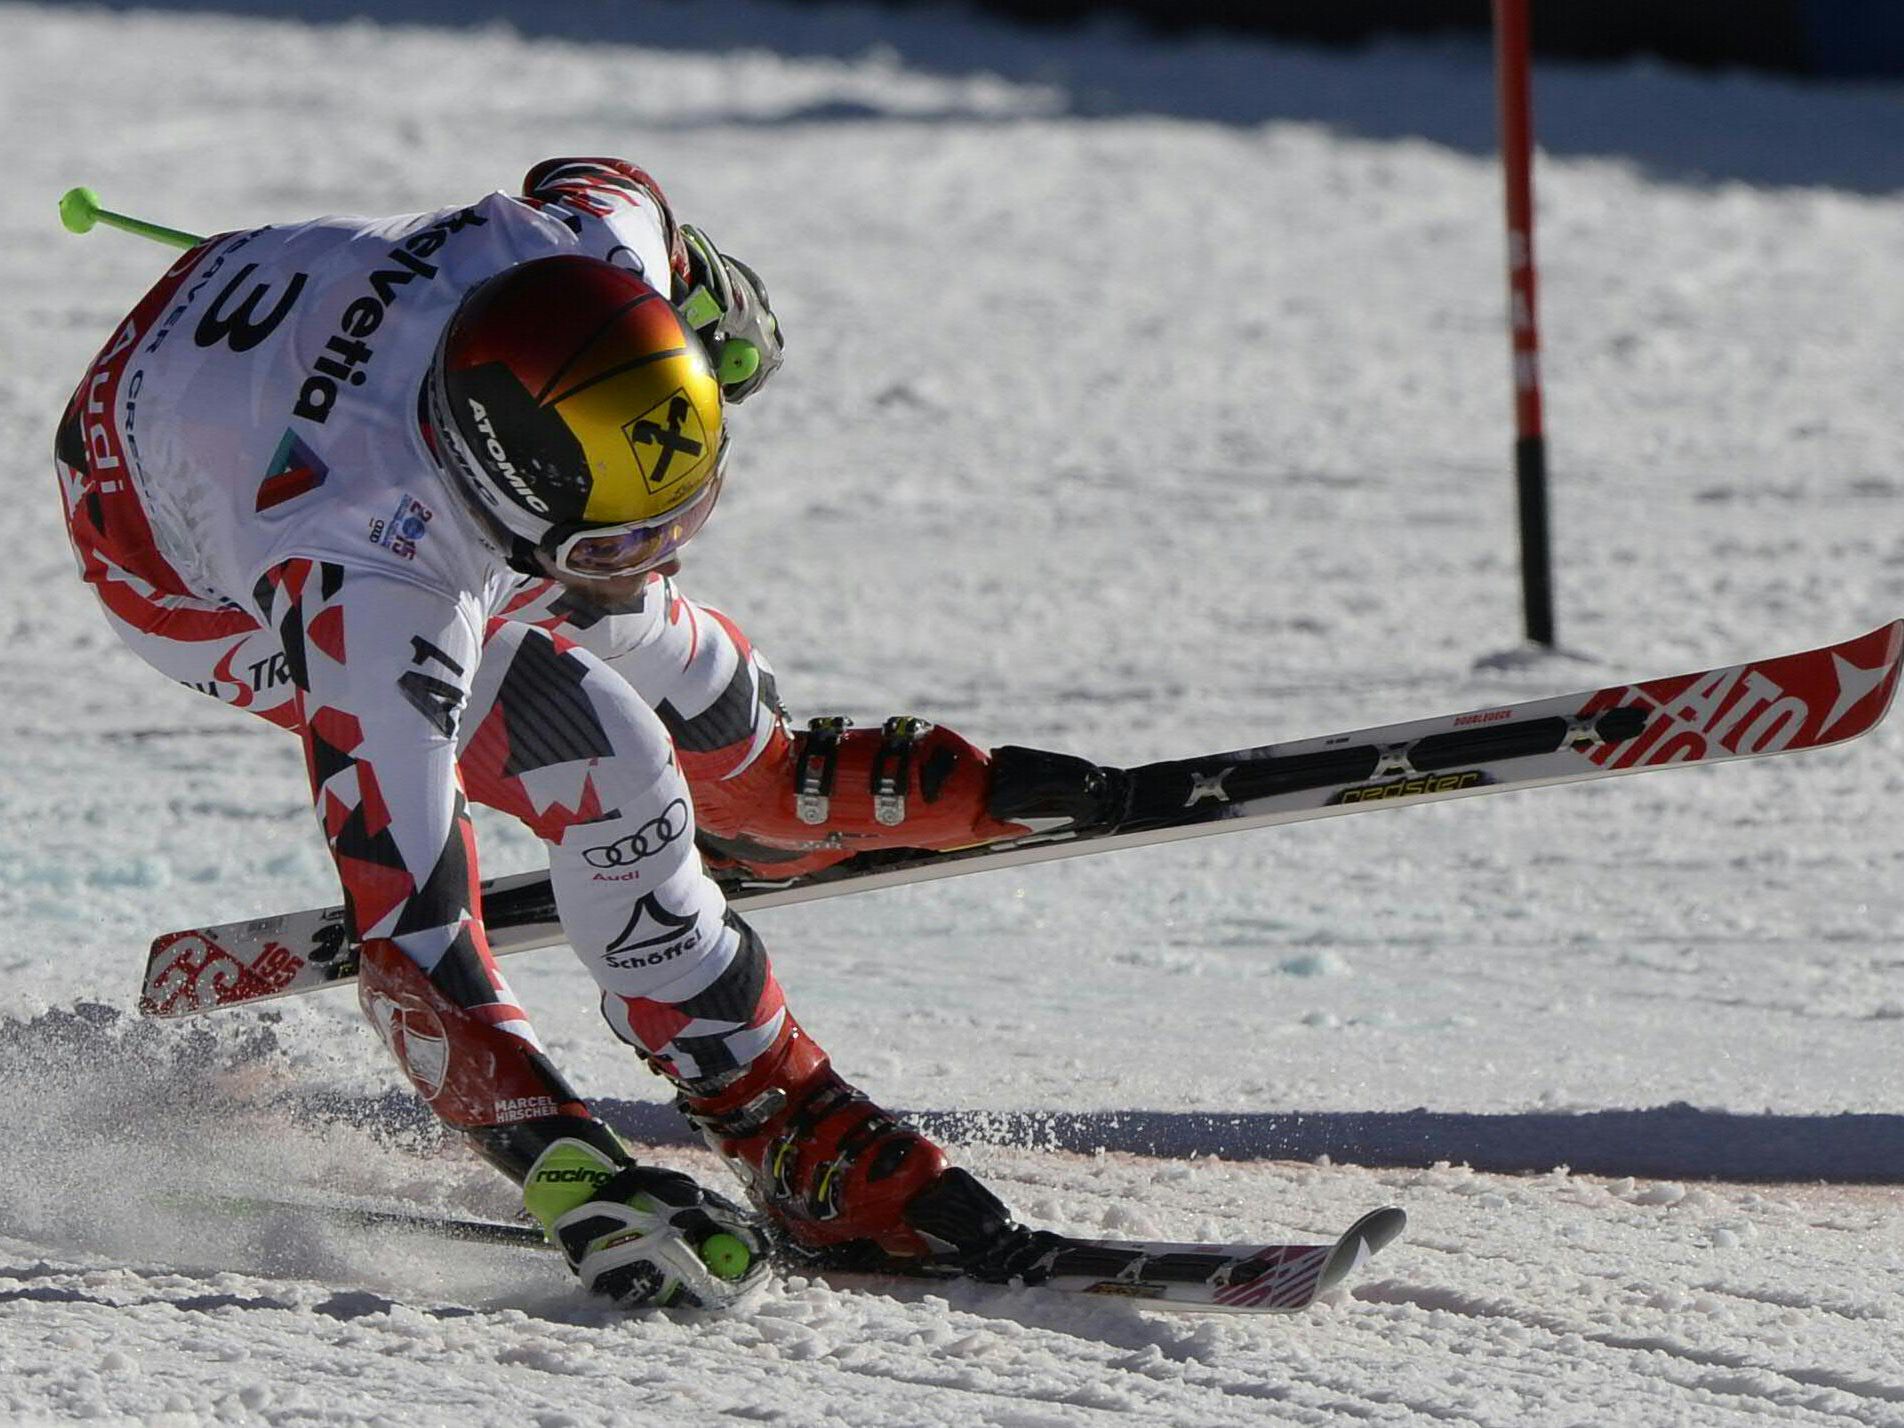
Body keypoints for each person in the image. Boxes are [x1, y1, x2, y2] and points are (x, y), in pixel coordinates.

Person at [52, 158, 1115, 1309]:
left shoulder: (589, 249)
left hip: (273, 335)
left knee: (628, 615)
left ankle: (755, 785)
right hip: (166, 556)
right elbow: (413, 961)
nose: (653, 554)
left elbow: (602, 179)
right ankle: (771, 1110)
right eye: (614, 540)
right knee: (612, 759)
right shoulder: (365, 586)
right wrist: (568, 1173)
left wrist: (701, 285)